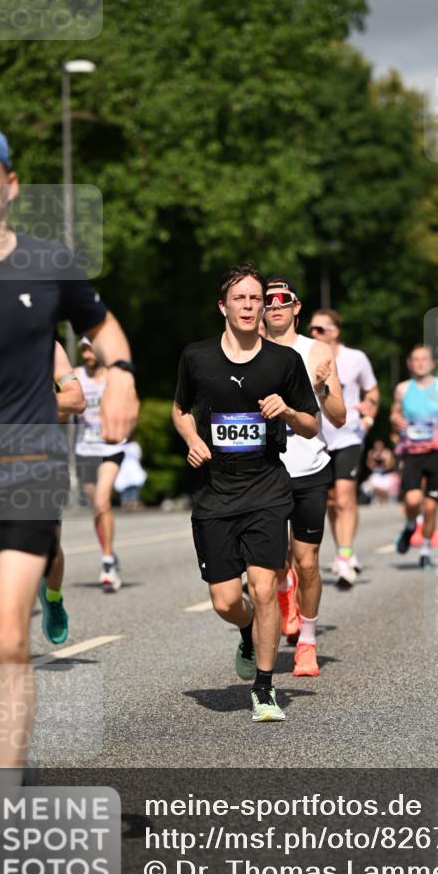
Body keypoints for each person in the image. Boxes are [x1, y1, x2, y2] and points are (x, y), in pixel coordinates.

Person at [0, 124, 138, 874]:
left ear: (11, 184)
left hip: (27, 466)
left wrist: (121, 374)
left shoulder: (49, 263)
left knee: (7, 638)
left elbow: (101, 326)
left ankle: (3, 827)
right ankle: (7, 757)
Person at [172, 264, 318, 721]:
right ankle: (248, 629)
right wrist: (193, 439)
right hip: (215, 493)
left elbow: (312, 426)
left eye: (256, 299)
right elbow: (180, 411)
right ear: (224, 307)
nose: (251, 306)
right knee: (226, 600)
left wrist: (288, 410)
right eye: (241, 298)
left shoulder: (283, 362)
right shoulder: (197, 358)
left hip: (267, 488)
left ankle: (265, 688)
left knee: (265, 585)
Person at [263, 277, 345, 676]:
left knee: (306, 560)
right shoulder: (250, 349)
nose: (275, 305)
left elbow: (340, 417)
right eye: (268, 300)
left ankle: (307, 643)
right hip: (265, 470)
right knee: (274, 560)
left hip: (310, 466)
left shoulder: (317, 351)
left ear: (297, 307)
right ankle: (283, 595)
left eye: (284, 299)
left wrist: (323, 386)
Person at [309, 308, 379, 587]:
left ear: (335, 332)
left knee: (344, 497)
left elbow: (372, 391)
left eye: (321, 329)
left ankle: (345, 556)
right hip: (316, 438)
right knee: (330, 501)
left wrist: (369, 416)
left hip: (348, 434)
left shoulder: (355, 359)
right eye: (312, 329)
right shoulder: (306, 355)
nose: (314, 334)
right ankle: (343, 550)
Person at [37, 341, 87, 645]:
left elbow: (76, 399)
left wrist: (21, 404)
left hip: (39, 458)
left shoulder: (47, 347)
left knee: (50, 549)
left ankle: (53, 598)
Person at [391, 345, 438, 569]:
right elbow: (395, 412)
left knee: (430, 507)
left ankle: (425, 550)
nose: (419, 363)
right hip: (412, 452)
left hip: (437, 452)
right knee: (412, 500)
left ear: (432, 363)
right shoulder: (402, 389)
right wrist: (395, 419)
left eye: (423, 359)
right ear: (409, 364)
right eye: (415, 360)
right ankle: (410, 525)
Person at [75, 337, 127, 592]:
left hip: (111, 447)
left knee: (102, 500)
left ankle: (107, 561)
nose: (87, 354)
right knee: (96, 507)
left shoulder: (115, 377)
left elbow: (130, 406)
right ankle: (109, 552)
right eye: (83, 349)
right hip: (85, 449)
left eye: (91, 348)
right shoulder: (75, 376)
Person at [115, 440, 147, 511]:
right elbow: (139, 456)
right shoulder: (134, 445)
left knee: (126, 488)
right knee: (132, 489)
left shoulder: (121, 445)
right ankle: (132, 504)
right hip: (130, 467)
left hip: (125, 467)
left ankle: (126, 504)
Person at [363, 439, 397, 505]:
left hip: (386, 474)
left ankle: (385, 499)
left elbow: (391, 466)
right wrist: (373, 459)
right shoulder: (371, 453)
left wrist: (384, 461)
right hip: (376, 474)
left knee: (388, 487)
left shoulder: (387, 453)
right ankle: (380, 498)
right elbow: (369, 466)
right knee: (367, 486)